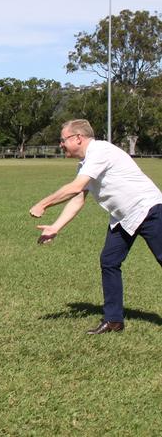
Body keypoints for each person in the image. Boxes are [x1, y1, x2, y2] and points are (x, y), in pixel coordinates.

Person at [30, 119, 162, 334]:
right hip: (123, 217)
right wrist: (56, 226)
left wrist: (43, 204)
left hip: (148, 209)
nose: (61, 144)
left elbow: (75, 188)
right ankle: (113, 321)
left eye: (63, 140)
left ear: (78, 138)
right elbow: (79, 198)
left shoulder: (100, 151)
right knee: (109, 261)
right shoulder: (85, 163)